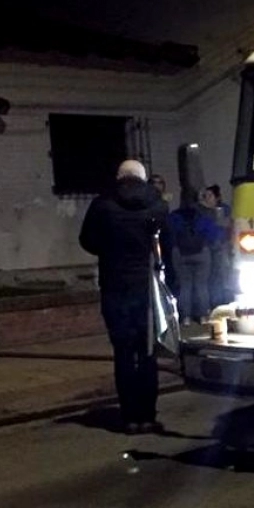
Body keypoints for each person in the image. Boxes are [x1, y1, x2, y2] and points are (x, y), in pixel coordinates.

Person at [79, 160, 176, 435]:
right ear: (143, 178)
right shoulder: (158, 205)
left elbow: (87, 240)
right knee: (147, 352)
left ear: (119, 177)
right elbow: (169, 246)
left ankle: (129, 418)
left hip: (115, 286)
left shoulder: (103, 204)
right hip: (148, 289)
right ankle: (148, 415)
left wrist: (110, 247)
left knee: (123, 352)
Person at [169, 190, 221, 325]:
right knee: (201, 286)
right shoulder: (203, 216)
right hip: (201, 253)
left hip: (180, 254)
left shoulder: (174, 216)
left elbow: (168, 235)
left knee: (185, 286)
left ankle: (185, 317)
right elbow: (214, 236)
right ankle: (203, 316)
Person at [201, 184, 234, 307]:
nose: (207, 199)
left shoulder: (223, 210)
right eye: (205, 196)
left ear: (217, 197)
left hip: (222, 247)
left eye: (210, 196)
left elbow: (224, 225)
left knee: (222, 274)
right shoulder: (202, 212)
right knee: (211, 276)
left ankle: (222, 302)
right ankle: (214, 302)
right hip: (208, 247)